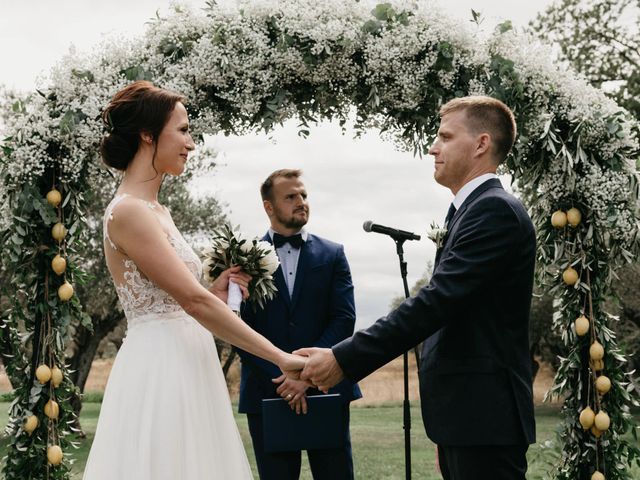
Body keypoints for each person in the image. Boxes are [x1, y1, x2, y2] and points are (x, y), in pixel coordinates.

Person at [297, 96, 536, 480]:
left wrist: (344, 359)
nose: (432, 147)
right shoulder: (469, 211)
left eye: (445, 136)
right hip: (464, 415)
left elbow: (435, 302)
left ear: (481, 144)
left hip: (484, 417)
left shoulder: (495, 211)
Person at [83, 81, 305, 480]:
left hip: (189, 358)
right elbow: (192, 304)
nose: (191, 143)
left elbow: (190, 298)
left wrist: (214, 291)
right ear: (148, 135)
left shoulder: (158, 210)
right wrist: (281, 357)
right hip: (161, 366)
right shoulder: (129, 212)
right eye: (183, 130)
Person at [235, 169, 362, 480]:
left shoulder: (333, 254)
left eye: (303, 195)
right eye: (290, 197)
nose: (301, 202)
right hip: (267, 389)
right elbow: (239, 327)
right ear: (269, 206)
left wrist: (308, 375)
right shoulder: (243, 257)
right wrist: (282, 375)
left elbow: (344, 318)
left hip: (326, 387)